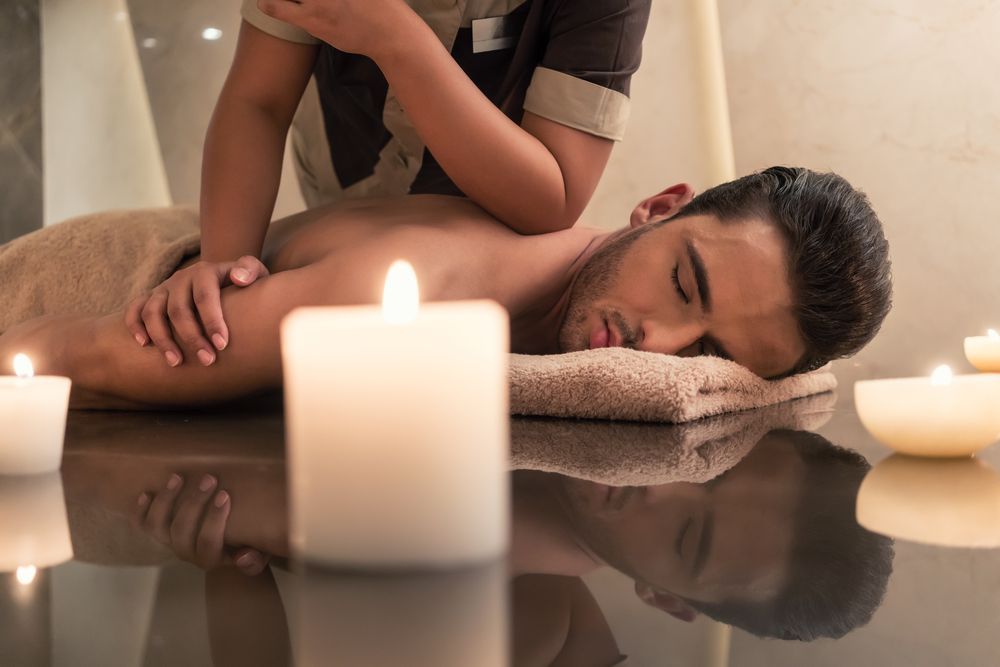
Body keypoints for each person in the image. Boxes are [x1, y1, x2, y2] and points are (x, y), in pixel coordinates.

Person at [0, 167, 892, 409]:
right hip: (62, 280)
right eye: (683, 282)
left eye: (713, 356)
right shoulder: (420, 292)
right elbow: (90, 350)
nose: (656, 342)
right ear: (653, 208)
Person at [131, 0, 653, 365]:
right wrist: (223, 263)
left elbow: (554, 195)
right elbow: (258, 102)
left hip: (491, 233)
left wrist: (394, 37)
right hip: (344, 194)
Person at [128, 428, 894, 642]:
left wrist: (229, 568)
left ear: (665, 597)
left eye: (688, 539)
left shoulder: (522, 624)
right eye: (711, 460)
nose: (658, 484)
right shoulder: (573, 395)